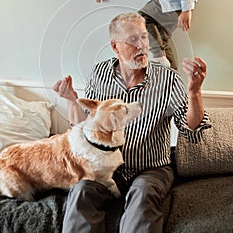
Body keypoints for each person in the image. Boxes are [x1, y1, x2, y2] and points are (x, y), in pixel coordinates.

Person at [53, 12, 211, 233]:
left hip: (151, 169)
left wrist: (194, 93)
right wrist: (71, 101)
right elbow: (86, 130)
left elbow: (191, 130)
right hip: (106, 167)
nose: (143, 46)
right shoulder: (99, 74)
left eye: (144, 37)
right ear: (115, 47)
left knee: (144, 193)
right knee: (81, 190)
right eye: (133, 40)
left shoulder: (169, 79)